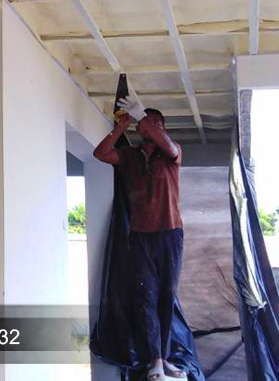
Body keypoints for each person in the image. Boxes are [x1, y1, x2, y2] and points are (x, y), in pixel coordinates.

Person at [93, 99, 186, 381]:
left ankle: (165, 359)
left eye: (157, 123)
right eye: (147, 122)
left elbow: (165, 142)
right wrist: (121, 126)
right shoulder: (129, 156)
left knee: (167, 296)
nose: (152, 126)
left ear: (163, 128)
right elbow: (100, 153)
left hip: (170, 235)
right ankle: (154, 361)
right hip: (140, 238)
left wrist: (142, 116)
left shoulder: (172, 153)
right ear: (139, 129)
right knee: (146, 298)